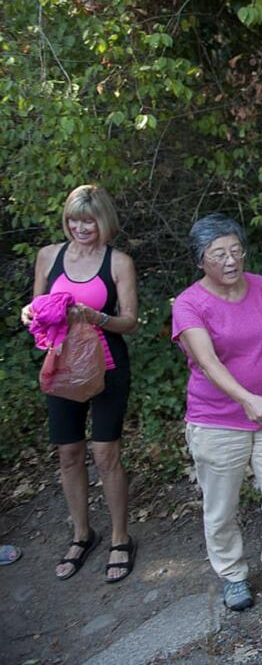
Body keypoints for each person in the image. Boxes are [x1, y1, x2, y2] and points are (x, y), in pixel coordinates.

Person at [171, 214, 262, 611]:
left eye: (236, 250)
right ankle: (233, 575)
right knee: (222, 506)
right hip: (216, 420)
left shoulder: (259, 286)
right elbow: (207, 362)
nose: (231, 260)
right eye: (219, 254)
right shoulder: (189, 304)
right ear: (200, 260)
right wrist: (246, 399)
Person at [20, 185, 138, 582]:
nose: (80, 227)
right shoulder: (48, 257)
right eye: (73, 219)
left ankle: (121, 537)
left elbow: (130, 322)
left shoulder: (118, 262)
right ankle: (82, 533)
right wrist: (30, 314)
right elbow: (36, 307)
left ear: (102, 221)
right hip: (61, 365)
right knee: (68, 452)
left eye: (88, 220)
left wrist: (93, 316)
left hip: (107, 364)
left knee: (105, 454)